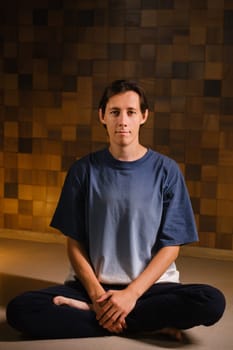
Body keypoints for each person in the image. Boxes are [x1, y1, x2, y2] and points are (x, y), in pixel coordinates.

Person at [6, 79, 225, 340]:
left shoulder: (167, 171)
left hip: (150, 289)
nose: (123, 121)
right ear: (102, 116)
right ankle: (141, 322)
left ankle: (95, 315)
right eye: (115, 112)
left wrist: (131, 295)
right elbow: (74, 243)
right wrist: (98, 298)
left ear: (143, 116)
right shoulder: (83, 171)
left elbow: (171, 247)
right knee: (20, 310)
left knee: (211, 301)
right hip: (93, 286)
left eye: (131, 112)